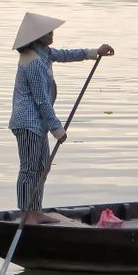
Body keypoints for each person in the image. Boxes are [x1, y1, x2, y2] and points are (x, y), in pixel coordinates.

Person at [9, 12, 114, 224]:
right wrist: (57, 129)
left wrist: (95, 52)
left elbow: (65, 54)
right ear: (38, 36)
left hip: (38, 124)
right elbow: (41, 101)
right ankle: (26, 212)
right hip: (28, 123)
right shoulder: (33, 62)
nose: (53, 35)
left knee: (42, 167)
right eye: (49, 32)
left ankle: (36, 210)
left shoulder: (43, 53)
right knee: (29, 169)